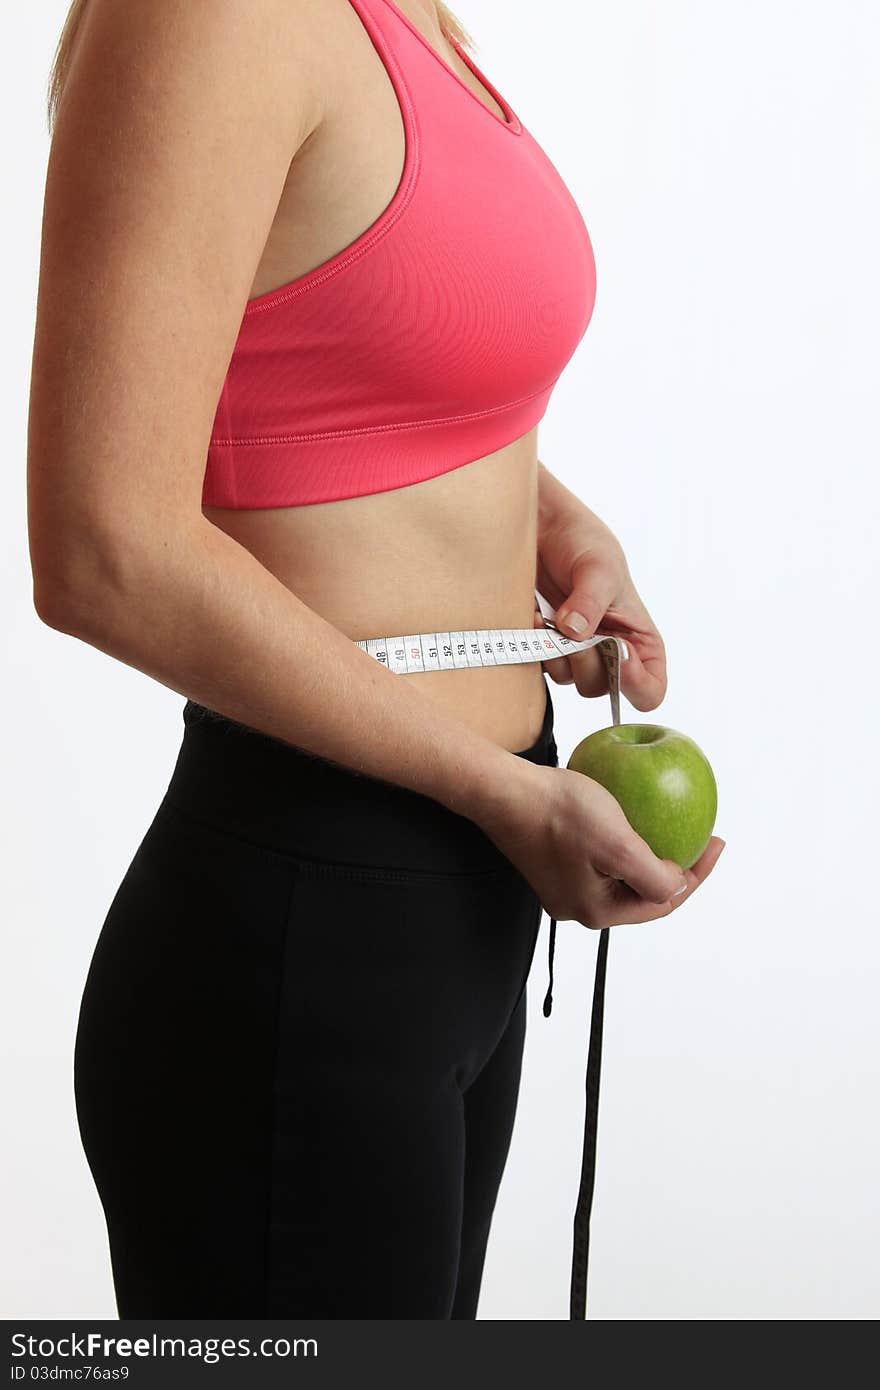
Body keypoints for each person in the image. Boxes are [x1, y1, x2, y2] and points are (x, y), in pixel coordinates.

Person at [27, 0, 725, 1319]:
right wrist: (497, 791)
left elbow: (359, 351)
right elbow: (102, 544)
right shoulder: (208, 19)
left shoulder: (401, 12)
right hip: (310, 938)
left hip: (457, 908)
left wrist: (551, 525)